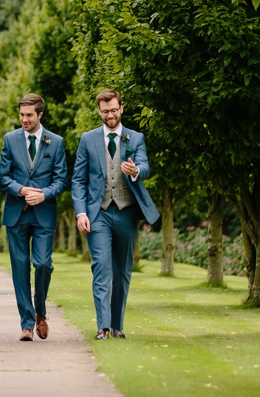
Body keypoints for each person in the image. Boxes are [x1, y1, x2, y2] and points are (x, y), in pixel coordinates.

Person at [71, 89, 160, 339]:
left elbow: (145, 166)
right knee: (101, 267)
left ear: (121, 108)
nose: (109, 115)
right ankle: (102, 326)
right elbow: (78, 180)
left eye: (113, 110)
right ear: (99, 111)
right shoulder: (87, 139)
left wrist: (135, 170)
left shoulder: (135, 137)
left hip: (126, 212)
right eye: (105, 111)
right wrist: (80, 213)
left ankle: (118, 326)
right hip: (97, 214)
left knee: (122, 271)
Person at [0, 93, 68, 341]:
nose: (24, 119)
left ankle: (41, 313)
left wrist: (44, 194)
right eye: (21, 115)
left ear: (40, 114)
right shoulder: (10, 139)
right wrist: (22, 190)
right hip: (16, 215)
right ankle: (26, 324)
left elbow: (61, 180)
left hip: (43, 214)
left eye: (29, 115)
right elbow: (2, 177)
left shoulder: (56, 142)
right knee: (19, 269)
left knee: (43, 264)